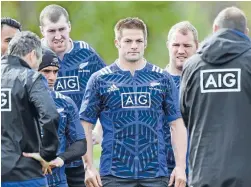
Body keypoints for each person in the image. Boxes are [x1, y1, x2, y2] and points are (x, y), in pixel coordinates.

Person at [80, 17, 187, 187]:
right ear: (117, 42)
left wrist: (181, 167)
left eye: (139, 41)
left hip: (155, 173)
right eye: (128, 41)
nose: (134, 45)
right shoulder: (100, 79)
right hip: (114, 174)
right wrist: (89, 167)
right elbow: (85, 125)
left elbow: (177, 124)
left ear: (145, 43)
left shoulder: (162, 78)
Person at [180, 6, 251, 187]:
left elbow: (186, 115)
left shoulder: (192, 66)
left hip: (203, 175)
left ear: (215, 29)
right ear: (246, 32)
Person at [39, 4, 106, 187]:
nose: (58, 35)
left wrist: (99, 129)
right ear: (42, 31)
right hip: (45, 160)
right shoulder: (33, 55)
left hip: (80, 156)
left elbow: (108, 94)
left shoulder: (87, 54)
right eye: (52, 31)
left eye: (62, 29)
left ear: (69, 26)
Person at [1, 31, 59, 187]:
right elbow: (50, 115)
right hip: (24, 172)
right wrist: (47, 153)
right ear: (33, 55)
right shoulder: (30, 77)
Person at [36, 48, 87, 187]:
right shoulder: (19, 100)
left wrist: (61, 159)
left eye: (55, 71)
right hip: (28, 179)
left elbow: (81, 143)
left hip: (58, 180)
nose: (52, 77)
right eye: (46, 71)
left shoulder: (65, 102)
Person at [164, 21, 198, 176]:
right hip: (164, 170)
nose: (181, 51)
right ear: (168, 46)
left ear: (196, 46)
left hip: (198, 168)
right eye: (176, 45)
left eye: (187, 46)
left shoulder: (203, 82)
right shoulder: (157, 82)